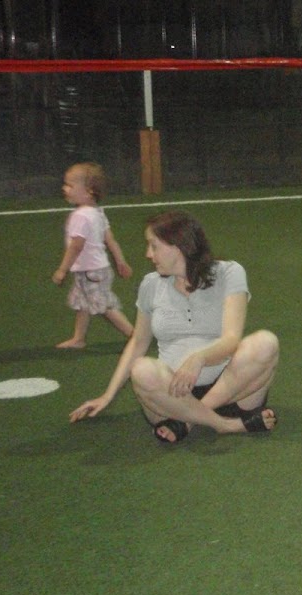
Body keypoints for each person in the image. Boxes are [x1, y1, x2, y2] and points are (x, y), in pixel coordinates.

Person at [69, 210, 279, 444]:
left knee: (265, 343)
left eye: (154, 246)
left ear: (178, 246)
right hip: (171, 396)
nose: (148, 254)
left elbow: (231, 339)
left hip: (231, 391)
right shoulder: (150, 285)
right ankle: (225, 425)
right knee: (142, 370)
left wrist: (198, 359)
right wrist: (107, 396)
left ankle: (188, 420)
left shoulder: (228, 273)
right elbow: (138, 343)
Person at [51, 162, 134, 349]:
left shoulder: (80, 216)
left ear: (88, 191)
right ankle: (78, 338)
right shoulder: (97, 213)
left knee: (104, 306)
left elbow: (76, 246)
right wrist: (120, 261)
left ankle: (134, 335)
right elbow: (110, 240)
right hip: (97, 269)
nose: (65, 188)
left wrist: (62, 270)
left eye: (70, 185)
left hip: (91, 272)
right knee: (83, 303)